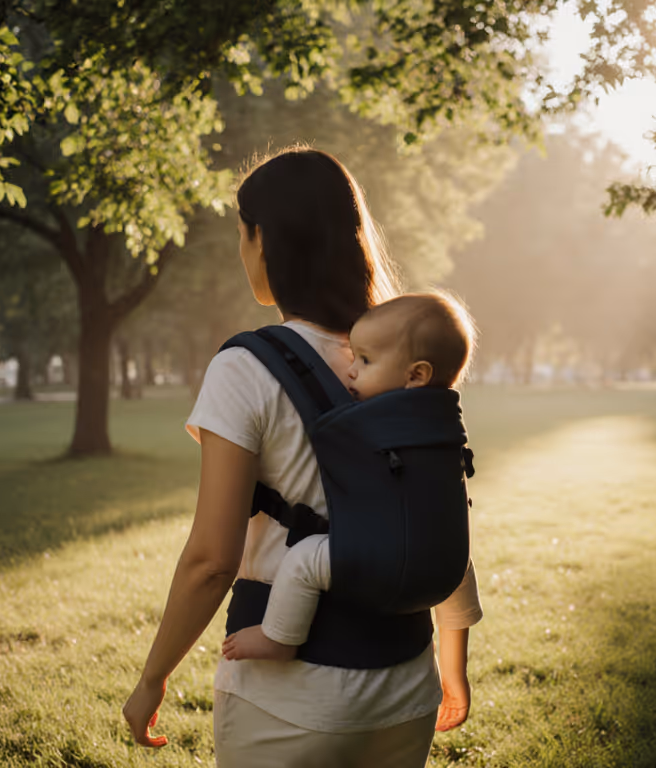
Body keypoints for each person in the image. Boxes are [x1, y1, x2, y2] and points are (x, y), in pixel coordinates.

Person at [122, 147, 483, 767]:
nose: (242, 253)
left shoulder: (245, 367)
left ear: (263, 239)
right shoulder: (401, 357)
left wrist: (152, 678)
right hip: (406, 685)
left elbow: (212, 560)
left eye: (242, 234)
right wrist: (454, 666)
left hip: (291, 700)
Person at [221, 292, 477, 665]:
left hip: (375, 559)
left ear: (416, 375)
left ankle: (279, 637)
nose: (351, 371)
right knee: (457, 546)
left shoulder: (377, 422)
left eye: (366, 360)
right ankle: (455, 665)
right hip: (442, 564)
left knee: (305, 558)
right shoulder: (446, 428)